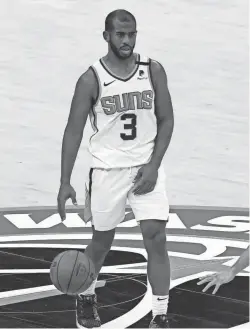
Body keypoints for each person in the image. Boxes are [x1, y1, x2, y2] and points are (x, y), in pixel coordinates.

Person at [57, 9, 174, 329]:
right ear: (106, 36)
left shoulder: (153, 70)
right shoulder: (91, 78)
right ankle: (86, 295)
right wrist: (65, 181)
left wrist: (153, 166)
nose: (126, 40)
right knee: (101, 242)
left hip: (146, 167)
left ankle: (160, 315)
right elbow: (73, 131)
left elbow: (167, 120)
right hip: (107, 171)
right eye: (120, 34)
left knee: (156, 237)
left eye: (131, 34)